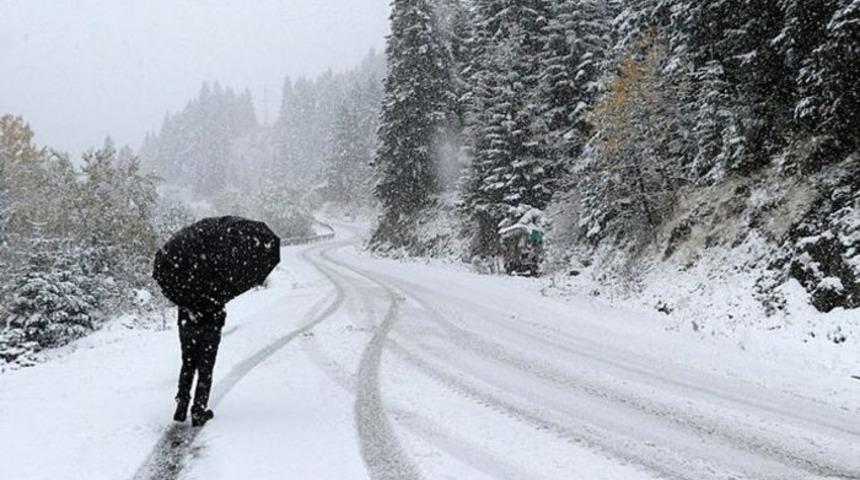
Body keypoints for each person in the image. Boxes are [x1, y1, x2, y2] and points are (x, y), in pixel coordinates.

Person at [173, 305, 225, 427]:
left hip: (187, 321)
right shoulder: (217, 287)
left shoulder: (183, 286)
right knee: (205, 368)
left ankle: (182, 398)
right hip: (211, 322)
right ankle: (199, 409)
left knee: (188, 363)